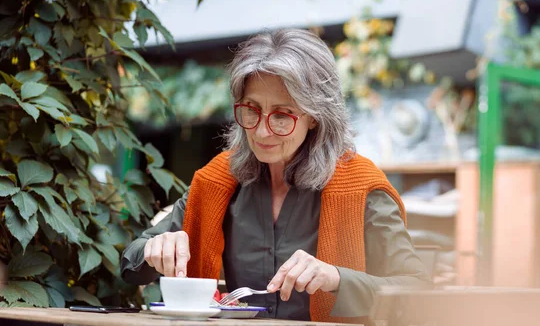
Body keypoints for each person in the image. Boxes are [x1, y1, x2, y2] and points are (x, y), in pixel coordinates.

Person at [120, 28, 432, 322]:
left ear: (314, 117)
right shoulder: (218, 180)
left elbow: (419, 293)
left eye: (282, 116)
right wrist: (154, 249)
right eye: (251, 110)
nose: (262, 130)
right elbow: (130, 263)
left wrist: (337, 279)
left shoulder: (362, 187)